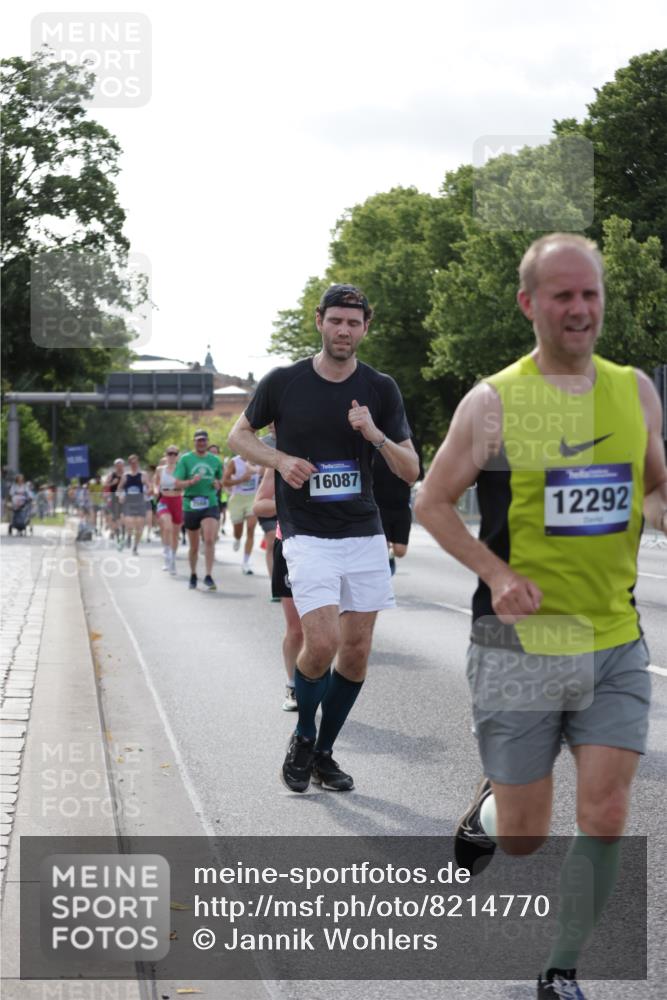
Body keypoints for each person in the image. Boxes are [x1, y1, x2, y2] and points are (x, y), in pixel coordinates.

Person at [414, 233, 667, 1000]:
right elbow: (430, 500)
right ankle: (491, 806)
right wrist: (494, 573)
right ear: (529, 304)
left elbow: (654, 486)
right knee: (523, 838)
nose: (579, 308)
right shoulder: (493, 401)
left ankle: (561, 969)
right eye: (561, 295)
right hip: (517, 644)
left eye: (588, 293)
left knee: (607, 808)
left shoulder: (634, 391)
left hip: (613, 638)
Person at [229, 283, 419, 792]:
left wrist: (374, 434)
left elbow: (410, 470)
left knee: (355, 652)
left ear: (365, 328)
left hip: (362, 530)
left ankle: (323, 752)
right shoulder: (285, 382)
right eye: (336, 320)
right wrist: (280, 460)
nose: (344, 330)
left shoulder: (380, 388)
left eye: (354, 323)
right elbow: (238, 436)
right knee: (324, 642)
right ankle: (302, 735)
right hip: (306, 532)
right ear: (320, 322)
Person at [253, 466, 303, 710]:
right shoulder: (280, 460)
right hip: (292, 546)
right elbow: (260, 505)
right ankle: (293, 685)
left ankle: (317, 682)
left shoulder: (343, 447)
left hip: (333, 546)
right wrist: (289, 499)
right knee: (296, 629)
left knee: (328, 630)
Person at [173, 429, 223, 591]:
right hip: (191, 504)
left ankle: (208, 575)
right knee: (193, 546)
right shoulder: (186, 460)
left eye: (204, 440)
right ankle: (193, 573)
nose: (201, 443)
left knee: (209, 539)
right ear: (194, 442)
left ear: (207, 442)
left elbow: (221, 480)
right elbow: (177, 483)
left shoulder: (215, 460)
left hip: (210, 503)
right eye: (198, 440)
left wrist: (218, 484)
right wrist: (190, 482)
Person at [372, 446, 418, 575]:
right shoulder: (373, 449)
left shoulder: (407, 448)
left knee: (400, 551)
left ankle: (390, 558)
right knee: (383, 548)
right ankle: (384, 569)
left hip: (401, 507)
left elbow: (417, 474)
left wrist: (413, 477)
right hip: (380, 507)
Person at [222, 453, 261, 574]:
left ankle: (246, 562)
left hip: (252, 498)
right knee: (238, 532)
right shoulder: (234, 462)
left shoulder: (259, 458)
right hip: (237, 499)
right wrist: (241, 480)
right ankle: (237, 539)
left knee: (250, 529)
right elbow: (225, 482)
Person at [154, 446, 183, 574]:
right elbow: (155, 483)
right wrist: (156, 490)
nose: (171, 456)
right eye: (169, 453)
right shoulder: (160, 469)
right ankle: (166, 553)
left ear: (177, 456)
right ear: (166, 455)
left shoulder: (182, 470)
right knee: (167, 526)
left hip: (178, 501)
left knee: (175, 533)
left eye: (174, 454)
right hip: (164, 500)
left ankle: (172, 559)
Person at [117, 455, 150, 555]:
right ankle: (128, 535)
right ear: (129, 463)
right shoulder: (125, 476)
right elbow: (119, 488)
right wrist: (120, 496)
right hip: (129, 502)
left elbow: (150, 487)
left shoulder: (143, 475)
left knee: (140, 525)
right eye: (132, 463)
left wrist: (148, 493)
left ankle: (135, 547)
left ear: (138, 463)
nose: (134, 464)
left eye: (135, 462)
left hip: (140, 501)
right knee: (130, 523)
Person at [104, 459, 125, 547]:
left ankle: (123, 532)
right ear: (115, 466)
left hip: (125, 497)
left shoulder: (126, 475)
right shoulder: (111, 475)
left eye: (120, 465)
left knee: (124, 515)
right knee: (115, 516)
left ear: (123, 466)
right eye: (117, 465)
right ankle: (117, 533)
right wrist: (113, 483)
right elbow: (105, 485)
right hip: (114, 497)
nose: (119, 467)